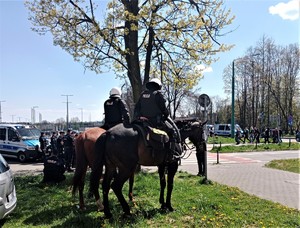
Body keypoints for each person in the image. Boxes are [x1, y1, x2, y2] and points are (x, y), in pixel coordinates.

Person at [134, 78, 181, 154]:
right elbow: (164, 110)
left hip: (142, 122)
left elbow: (136, 108)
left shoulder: (142, 95)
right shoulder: (158, 95)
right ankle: (171, 154)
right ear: (158, 86)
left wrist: (139, 117)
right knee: (172, 132)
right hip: (155, 122)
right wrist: (165, 116)